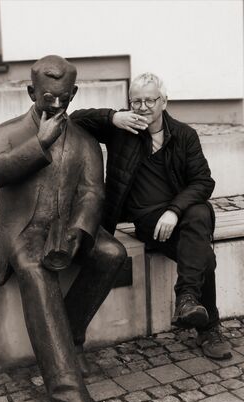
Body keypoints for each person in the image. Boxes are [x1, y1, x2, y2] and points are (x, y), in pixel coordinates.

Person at [0, 55, 127, 402]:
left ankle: (68, 337)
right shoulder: (6, 132)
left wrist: (80, 230)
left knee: (113, 253)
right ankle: (70, 399)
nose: (55, 105)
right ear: (32, 92)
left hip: (68, 227)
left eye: (64, 97)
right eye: (48, 96)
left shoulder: (84, 140)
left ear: (74, 93)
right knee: (35, 268)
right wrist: (40, 143)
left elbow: (91, 192)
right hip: (25, 230)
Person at [71, 72, 232, 360]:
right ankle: (206, 325)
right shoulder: (123, 130)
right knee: (203, 255)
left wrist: (173, 210)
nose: (143, 107)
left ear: (164, 101)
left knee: (198, 216)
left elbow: (203, 182)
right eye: (136, 101)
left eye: (149, 100)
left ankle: (187, 300)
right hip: (145, 220)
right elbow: (75, 118)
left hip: (179, 217)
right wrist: (112, 117)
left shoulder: (184, 135)